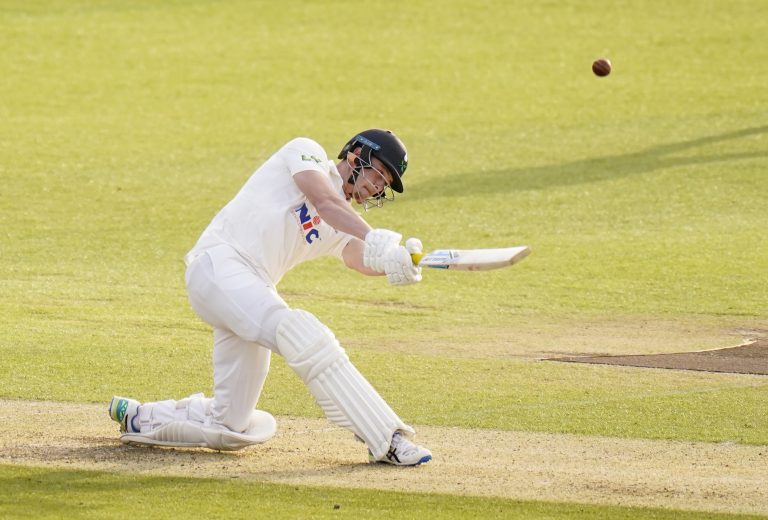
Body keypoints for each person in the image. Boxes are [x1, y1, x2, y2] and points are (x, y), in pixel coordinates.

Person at [108, 129, 432, 466]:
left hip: (249, 291)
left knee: (232, 426)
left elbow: (358, 256)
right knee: (304, 335)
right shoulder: (307, 154)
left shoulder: (343, 222)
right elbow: (325, 201)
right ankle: (386, 439)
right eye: (380, 173)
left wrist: (396, 263)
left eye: (386, 184)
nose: (379, 186)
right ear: (356, 155)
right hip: (220, 264)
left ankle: (139, 416)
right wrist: (374, 237)